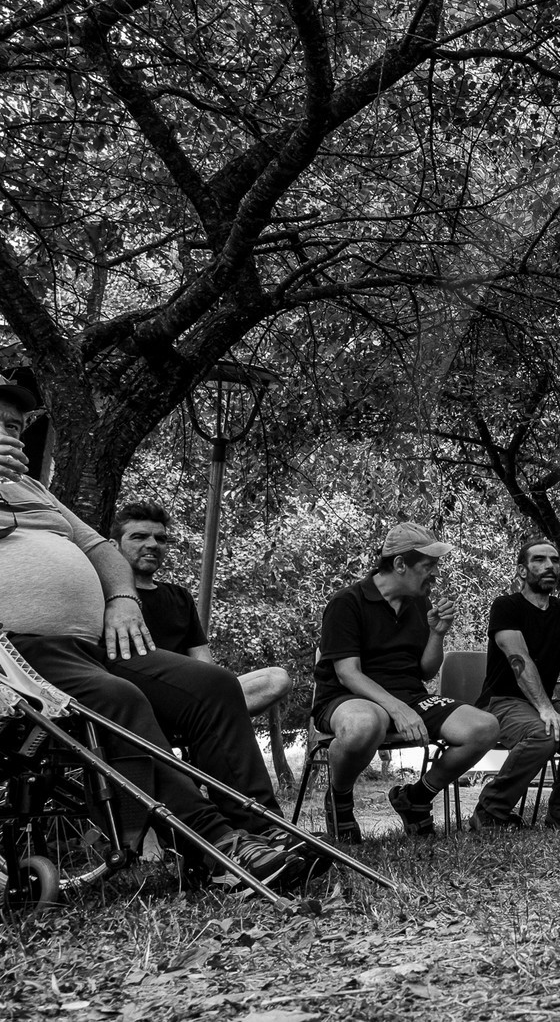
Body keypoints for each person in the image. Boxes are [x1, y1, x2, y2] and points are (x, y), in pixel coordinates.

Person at [0, 377, 308, 890]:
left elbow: (101, 550)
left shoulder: (34, 490)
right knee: (119, 699)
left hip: (93, 646)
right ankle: (216, 846)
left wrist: (122, 599)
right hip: (16, 654)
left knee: (214, 686)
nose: (9, 434)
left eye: (14, 425)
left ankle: (265, 832)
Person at [312, 522, 499, 840]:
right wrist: (398, 709)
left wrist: (437, 634)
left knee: (484, 727)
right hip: (347, 698)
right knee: (366, 723)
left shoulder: (419, 602)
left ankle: (416, 798)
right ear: (400, 564)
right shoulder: (347, 602)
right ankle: (339, 799)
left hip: (410, 696)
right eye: (428, 566)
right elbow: (348, 673)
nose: (435, 574)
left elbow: (425, 671)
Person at [470, 538, 560, 831]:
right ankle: (490, 810)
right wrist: (546, 709)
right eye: (539, 560)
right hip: (501, 701)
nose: (549, 566)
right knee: (546, 734)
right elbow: (518, 660)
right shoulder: (506, 606)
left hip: (542, 704)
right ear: (522, 571)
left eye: (555, 560)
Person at [111, 501, 293, 716]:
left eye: (160, 539)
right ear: (113, 546)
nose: (152, 544)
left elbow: (204, 663)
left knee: (276, 679)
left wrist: (213, 689)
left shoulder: (180, 597)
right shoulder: (104, 594)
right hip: (130, 699)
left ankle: (207, 717)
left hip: (186, 698)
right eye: (139, 537)